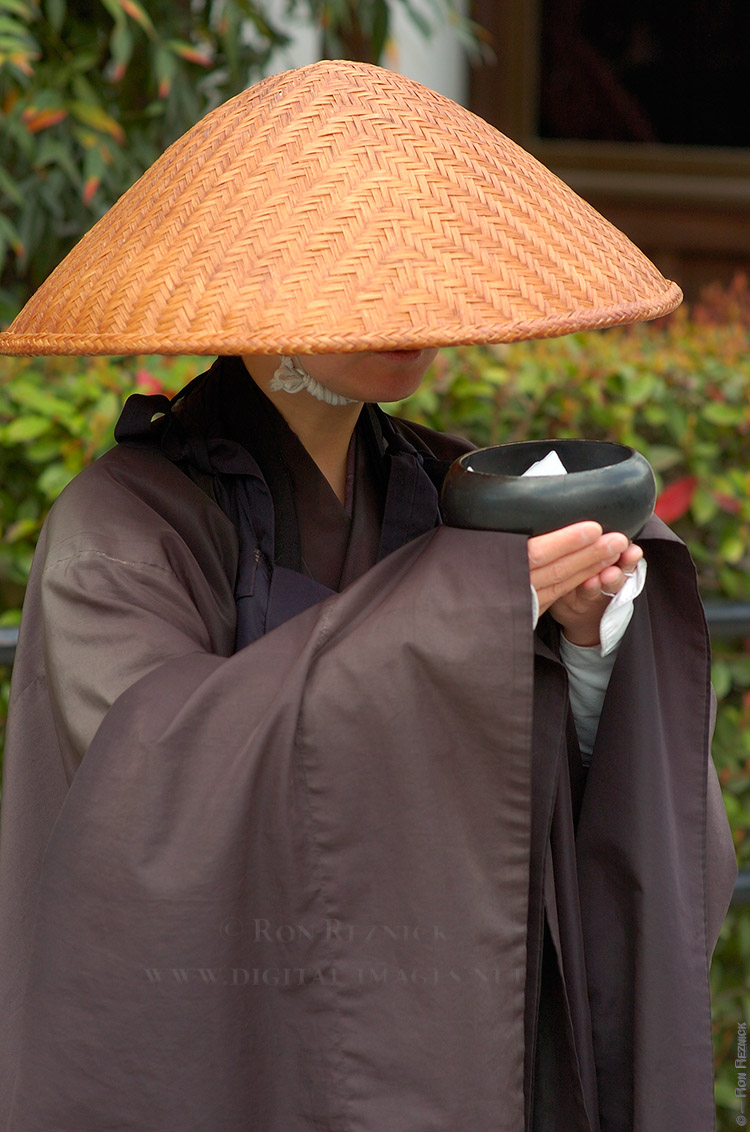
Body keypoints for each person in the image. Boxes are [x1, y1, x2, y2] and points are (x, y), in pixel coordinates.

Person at [0, 60, 736, 1132]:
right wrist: (464, 620)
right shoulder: (122, 530)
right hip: (245, 1043)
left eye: (423, 258)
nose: (410, 300)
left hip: (454, 1033)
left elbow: (561, 813)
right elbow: (147, 803)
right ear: (250, 284)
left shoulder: (458, 498)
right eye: (358, 266)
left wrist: (576, 653)